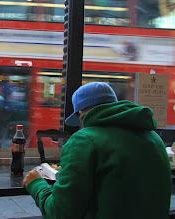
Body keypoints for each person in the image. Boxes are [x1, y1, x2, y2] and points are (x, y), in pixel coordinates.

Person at [23, 82, 171, 219]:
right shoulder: (154, 138)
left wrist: (36, 184)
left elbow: (60, 213)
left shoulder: (84, 140)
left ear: (81, 113)